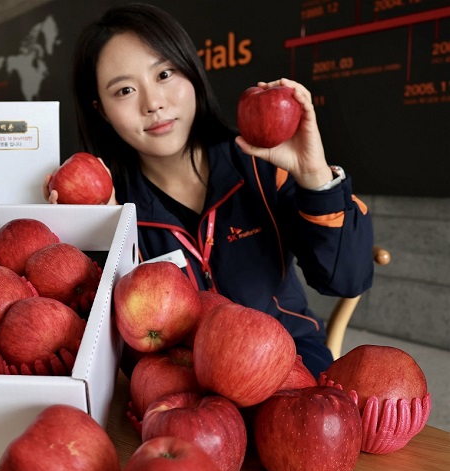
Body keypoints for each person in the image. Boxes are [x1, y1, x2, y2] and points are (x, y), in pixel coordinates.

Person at [44, 3, 374, 378]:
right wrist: (103, 228)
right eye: (124, 90)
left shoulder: (260, 165)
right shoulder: (113, 204)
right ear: (101, 110)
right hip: (186, 383)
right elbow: (117, 350)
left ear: (192, 72)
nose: (153, 103)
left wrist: (314, 176)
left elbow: (346, 279)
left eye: (165, 73)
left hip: (292, 363)